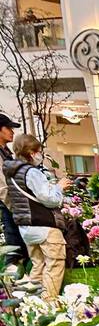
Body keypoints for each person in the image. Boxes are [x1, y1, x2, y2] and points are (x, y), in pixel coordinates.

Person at [3, 134, 66, 297]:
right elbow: (49, 199)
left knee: (38, 265)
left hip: (26, 227)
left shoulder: (12, 172)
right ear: (31, 152)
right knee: (54, 264)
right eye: (39, 151)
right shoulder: (31, 172)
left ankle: (31, 304)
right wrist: (59, 187)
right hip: (44, 225)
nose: (40, 155)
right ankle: (48, 303)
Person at [0, 113, 30, 269]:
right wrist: (15, 209)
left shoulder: (6, 153)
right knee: (15, 249)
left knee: (22, 249)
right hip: (9, 207)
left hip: (17, 206)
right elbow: (3, 188)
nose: (12, 132)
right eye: (8, 128)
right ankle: (10, 289)